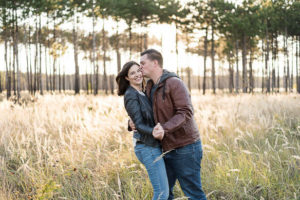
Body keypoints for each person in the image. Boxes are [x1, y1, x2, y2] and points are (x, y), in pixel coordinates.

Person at [130, 49, 207, 200]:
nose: (140, 67)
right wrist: (132, 122)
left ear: (155, 63)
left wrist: (165, 128)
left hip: (185, 147)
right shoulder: (150, 86)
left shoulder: (174, 83)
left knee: (193, 193)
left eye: (143, 63)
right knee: (165, 193)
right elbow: (147, 113)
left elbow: (185, 112)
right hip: (164, 149)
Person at [116, 61, 169, 200]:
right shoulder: (131, 94)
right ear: (127, 78)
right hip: (147, 146)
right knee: (162, 193)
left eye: (138, 70)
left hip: (151, 145)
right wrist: (153, 131)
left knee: (164, 190)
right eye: (132, 73)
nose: (137, 75)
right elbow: (138, 123)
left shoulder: (144, 92)